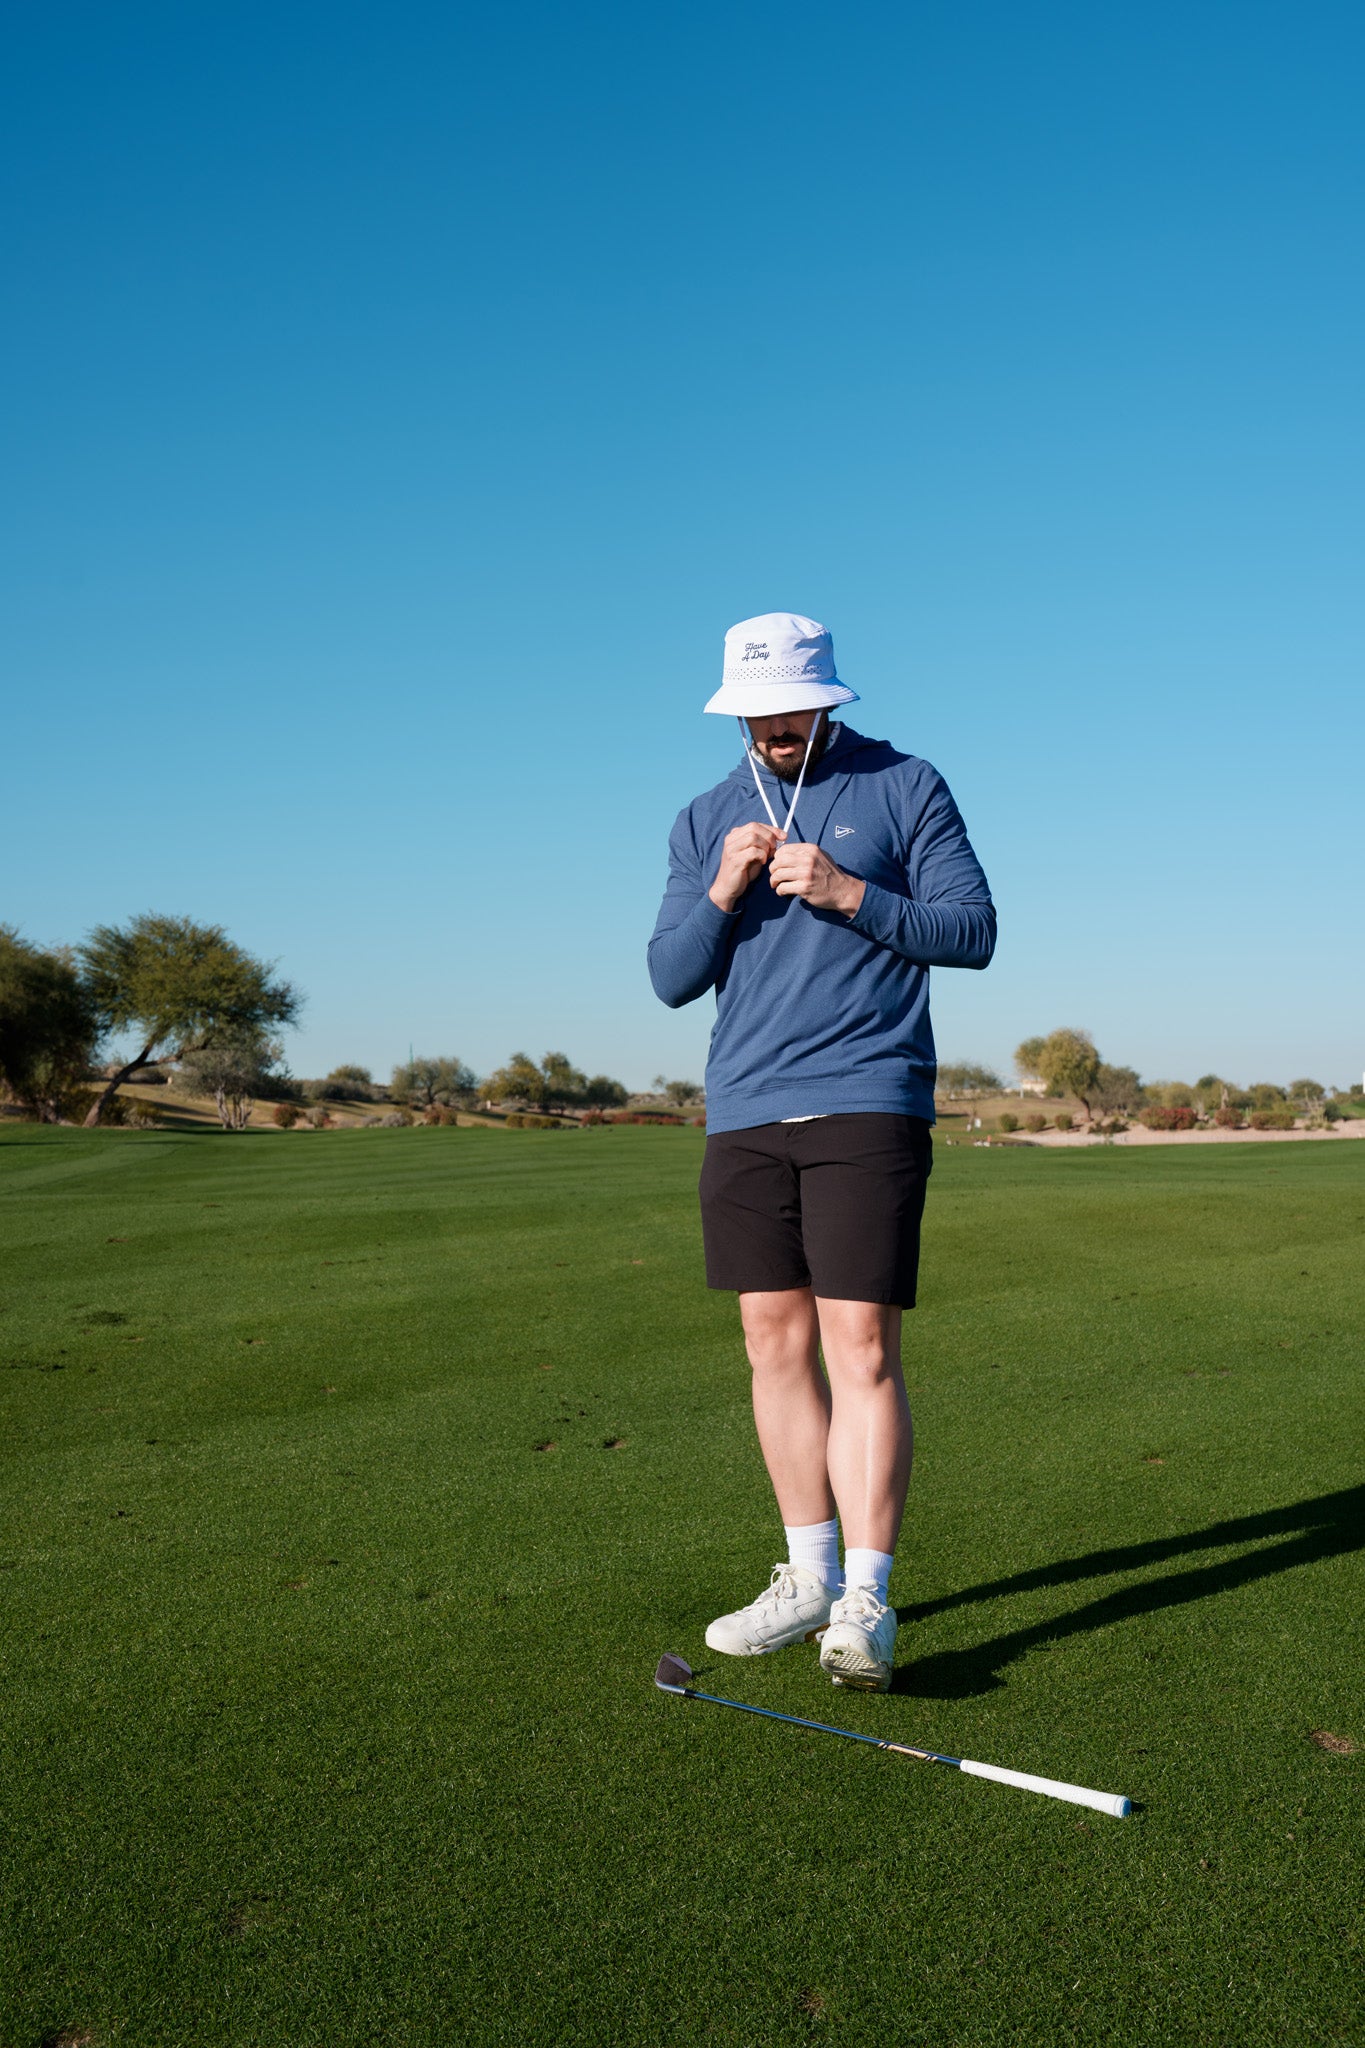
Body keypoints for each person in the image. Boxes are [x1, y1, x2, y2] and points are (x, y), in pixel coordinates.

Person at [648, 612, 996, 1691]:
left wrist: (850, 893)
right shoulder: (704, 816)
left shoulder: (905, 785)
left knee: (862, 1346)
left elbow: (973, 929)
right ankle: (807, 1577)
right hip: (745, 1107)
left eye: (789, 708)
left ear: (825, 698)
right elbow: (669, 976)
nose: (773, 728)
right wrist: (722, 888)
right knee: (771, 1341)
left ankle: (865, 1601)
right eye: (755, 713)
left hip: (865, 1097)